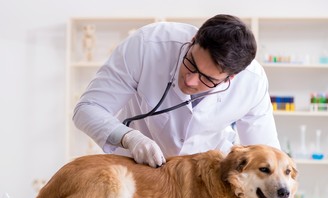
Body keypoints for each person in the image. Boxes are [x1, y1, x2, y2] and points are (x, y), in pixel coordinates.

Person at [73, 14, 280, 168]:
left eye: (207, 79)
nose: (190, 81)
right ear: (193, 41)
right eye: (190, 63)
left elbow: (268, 156)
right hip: (136, 168)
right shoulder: (147, 44)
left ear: (230, 78)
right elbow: (87, 109)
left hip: (203, 177)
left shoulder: (253, 82)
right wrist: (129, 138)